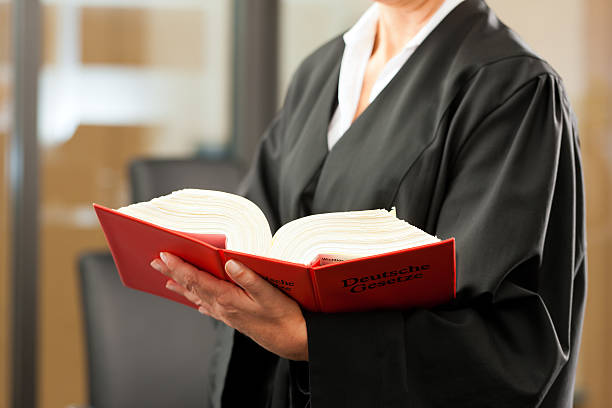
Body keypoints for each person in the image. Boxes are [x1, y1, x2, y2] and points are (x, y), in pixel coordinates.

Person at [150, 0, 586, 406]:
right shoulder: (319, 73)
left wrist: (312, 341)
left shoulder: (513, 90)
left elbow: (512, 348)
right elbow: (256, 238)